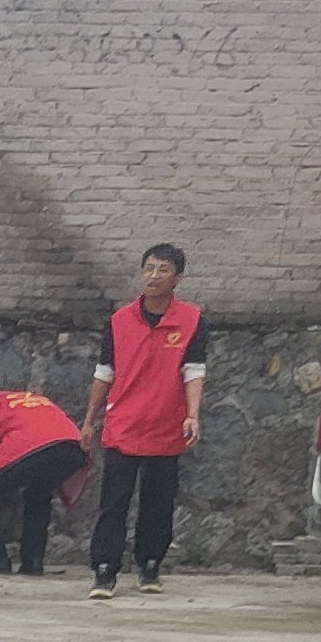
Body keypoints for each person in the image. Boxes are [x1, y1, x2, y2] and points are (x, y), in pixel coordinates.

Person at [80, 241, 205, 597]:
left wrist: (193, 415)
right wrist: (89, 421)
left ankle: (150, 564)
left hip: (167, 425)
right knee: (114, 502)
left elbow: (194, 371)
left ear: (177, 278)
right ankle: (104, 570)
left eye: (163, 270)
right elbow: (104, 372)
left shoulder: (192, 320)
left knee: (159, 502)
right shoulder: (119, 321)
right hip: (124, 425)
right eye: (149, 268)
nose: (154, 276)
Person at [0, 380, 91, 578]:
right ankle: (33, 561)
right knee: (38, 494)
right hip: (71, 448)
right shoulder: (31, 398)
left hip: (31, 447)